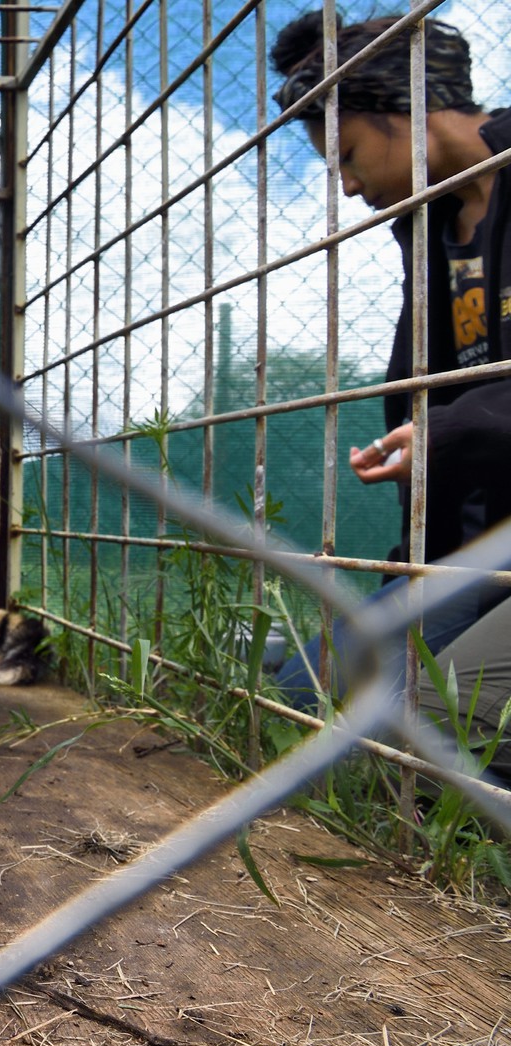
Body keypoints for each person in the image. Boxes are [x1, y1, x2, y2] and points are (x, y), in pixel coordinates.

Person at [268, 12, 511, 779]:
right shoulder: (430, 231)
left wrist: (453, 429)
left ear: (399, 112)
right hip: (474, 555)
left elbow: (464, 420)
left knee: (432, 728)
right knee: (300, 700)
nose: (344, 185)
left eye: (345, 155)